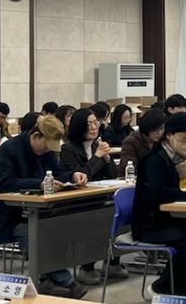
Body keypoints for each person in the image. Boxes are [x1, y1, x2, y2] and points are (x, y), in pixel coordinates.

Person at [0, 116, 89, 299]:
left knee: (57, 227)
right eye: (46, 146)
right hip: (5, 215)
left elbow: (56, 173)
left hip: (35, 211)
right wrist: (39, 184)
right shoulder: (10, 149)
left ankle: (48, 279)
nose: (47, 150)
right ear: (36, 136)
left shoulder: (45, 152)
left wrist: (72, 176)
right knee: (33, 233)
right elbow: (6, 181)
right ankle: (66, 281)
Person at [132, 113, 186, 297]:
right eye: (183, 138)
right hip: (153, 223)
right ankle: (162, 288)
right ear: (169, 135)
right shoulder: (154, 160)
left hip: (182, 219)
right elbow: (158, 194)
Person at [59, 109, 126, 285]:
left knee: (120, 212)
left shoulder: (97, 146)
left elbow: (112, 175)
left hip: (98, 197)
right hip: (76, 202)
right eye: (89, 124)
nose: (94, 127)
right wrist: (97, 157)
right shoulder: (68, 149)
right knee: (97, 219)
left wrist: (107, 159)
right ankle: (86, 268)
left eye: (95, 123)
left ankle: (113, 263)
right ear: (79, 126)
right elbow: (81, 177)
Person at [119, 108, 166, 176]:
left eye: (162, 128)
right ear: (147, 127)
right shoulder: (130, 142)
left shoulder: (162, 141)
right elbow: (131, 168)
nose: (159, 132)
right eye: (155, 129)